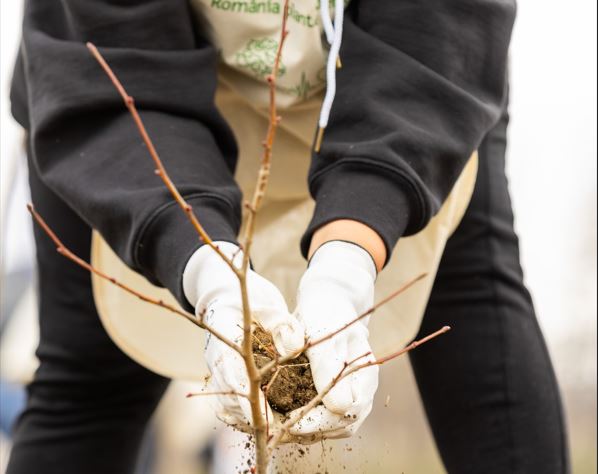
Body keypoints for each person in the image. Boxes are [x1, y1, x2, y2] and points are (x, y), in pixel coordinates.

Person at [6, 0, 570, 473]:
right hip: (123, 93)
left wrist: (347, 263)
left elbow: (433, 29)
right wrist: (209, 274)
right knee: (91, 375)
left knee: (473, 303)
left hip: (407, 78)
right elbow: (111, 59)